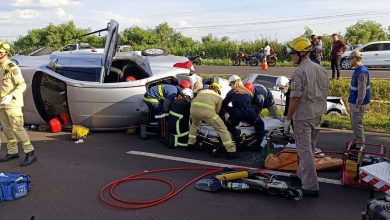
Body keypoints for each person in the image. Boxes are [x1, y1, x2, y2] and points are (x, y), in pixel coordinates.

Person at [285, 36, 329, 197]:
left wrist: (288, 118)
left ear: (302, 53)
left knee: (304, 151)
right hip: (317, 115)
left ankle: (310, 186)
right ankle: (300, 175)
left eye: (292, 52)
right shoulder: (321, 70)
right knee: (309, 148)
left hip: (303, 116)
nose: (291, 55)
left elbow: (295, 98)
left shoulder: (299, 72)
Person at [0, 42, 37, 167]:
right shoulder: (1, 67)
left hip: (13, 104)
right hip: (2, 104)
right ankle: (12, 151)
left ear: (4, 53)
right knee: (7, 129)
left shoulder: (12, 67)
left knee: (17, 128)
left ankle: (30, 152)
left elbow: (22, 85)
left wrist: (11, 95)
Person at [187, 82, 239, 159]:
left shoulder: (201, 91)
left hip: (193, 110)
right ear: (218, 90)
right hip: (207, 113)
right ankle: (231, 151)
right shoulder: (218, 97)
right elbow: (217, 111)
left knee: (194, 125)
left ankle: (190, 145)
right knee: (222, 129)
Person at [222, 75, 266, 150]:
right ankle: (258, 145)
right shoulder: (247, 91)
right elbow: (252, 104)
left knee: (229, 125)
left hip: (236, 114)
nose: (230, 86)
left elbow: (224, 104)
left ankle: (236, 134)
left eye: (230, 84)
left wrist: (230, 110)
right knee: (260, 124)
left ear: (233, 83)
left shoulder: (231, 92)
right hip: (249, 114)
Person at [348, 50, 370, 143]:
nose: (349, 61)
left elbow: (361, 91)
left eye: (349, 59)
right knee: (354, 124)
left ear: (355, 59)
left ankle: (360, 145)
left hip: (358, 104)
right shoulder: (357, 71)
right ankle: (358, 140)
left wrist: (357, 105)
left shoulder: (362, 72)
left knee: (357, 125)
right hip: (354, 102)